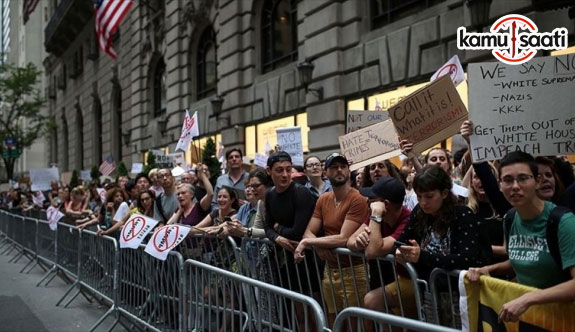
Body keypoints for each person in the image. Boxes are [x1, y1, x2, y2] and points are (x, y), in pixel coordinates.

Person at [467, 151, 575, 323]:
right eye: (508, 180)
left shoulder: (563, 221)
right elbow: (520, 258)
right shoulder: (510, 218)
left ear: (537, 181)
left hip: (562, 320)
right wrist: (488, 270)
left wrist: (528, 298)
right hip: (531, 319)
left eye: (523, 178)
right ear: (500, 185)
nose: (515, 186)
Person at [387, 165, 487, 318]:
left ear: (445, 193)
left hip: (459, 295)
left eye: (429, 196)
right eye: (419, 197)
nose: (423, 202)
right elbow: (399, 242)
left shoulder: (462, 215)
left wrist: (422, 257)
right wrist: (399, 252)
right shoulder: (419, 212)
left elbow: (467, 259)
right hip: (428, 292)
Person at [294, 153, 368, 325]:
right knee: (333, 321)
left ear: (349, 171)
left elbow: (343, 238)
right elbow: (308, 232)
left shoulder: (358, 199)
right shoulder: (323, 198)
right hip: (330, 269)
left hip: (354, 270)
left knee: (355, 323)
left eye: (343, 166)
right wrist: (318, 246)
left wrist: (308, 243)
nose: (339, 170)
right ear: (325, 173)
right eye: (334, 167)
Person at [347, 177, 411, 312]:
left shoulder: (408, 219)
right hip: (384, 279)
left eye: (371, 199)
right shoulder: (374, 216)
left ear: (385, 204)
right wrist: (358, 242)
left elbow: (372, 252)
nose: (367, 202)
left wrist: (376, 214)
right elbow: (350, 240)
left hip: (409, 282)